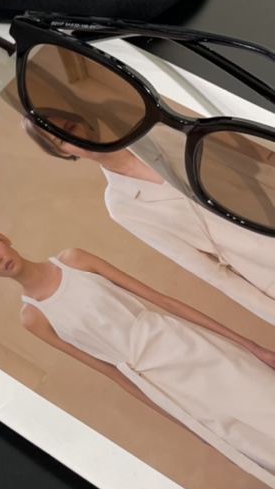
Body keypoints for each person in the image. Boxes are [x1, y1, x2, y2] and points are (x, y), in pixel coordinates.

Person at [0, 231, 275, 487]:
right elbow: (112, 374)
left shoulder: (73, 260)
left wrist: (251, 346)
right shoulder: (33, 318)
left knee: (263, 395)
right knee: (251, 441)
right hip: (161, 383)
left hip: (186, 344)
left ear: (3, 239)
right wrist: (190, 428)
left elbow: (164, 301)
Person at [22, 109, 275, 327]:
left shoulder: (160, 137)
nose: (74, 138)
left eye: (70, 127)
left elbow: (245, 180)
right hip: (261, 272)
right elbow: (206, 269)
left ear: (85, 122)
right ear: (63, 153)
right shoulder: (120, 205)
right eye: (62, 140)